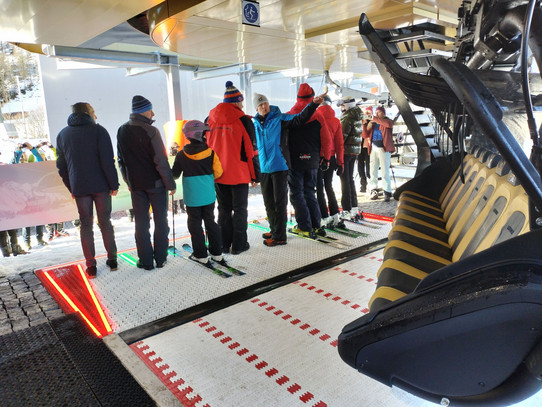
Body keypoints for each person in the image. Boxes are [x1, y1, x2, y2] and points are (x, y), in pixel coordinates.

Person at [252, 90, 326, 246]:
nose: (264, 106)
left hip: (279, 166)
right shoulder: (255, 123)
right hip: (264, 168)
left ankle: (280, 236)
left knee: (279, 203)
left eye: (265, 103)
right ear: (256, 108)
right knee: (268, 202)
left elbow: (300, 118)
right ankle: (274, 229)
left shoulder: (280, 118)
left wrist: (313, 105)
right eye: (260, 105)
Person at [56, 102, 119, 278]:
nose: (95, 115)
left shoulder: (63, 134)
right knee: (105, 222)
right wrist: (113, 184)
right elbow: (107, 161)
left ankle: (90, 266)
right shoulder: (99, 131)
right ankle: (112, 259)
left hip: (80, 187)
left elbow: (61, 167)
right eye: (93, 111)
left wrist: (71, 186)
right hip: (101, 186)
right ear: (87, 113)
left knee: (85, 225)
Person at [117, 95, 176, 270]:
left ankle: (146, 261)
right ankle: (161, 258)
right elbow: (161, 161)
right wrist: (170, 184)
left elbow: (121, 161)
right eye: (151, 110)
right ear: (144, 111)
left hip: (136, 186)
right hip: (156, 185)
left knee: (141, 223)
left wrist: (129, 181)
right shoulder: (152, 131)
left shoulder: (121, 130)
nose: (153, 113)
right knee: (160, 220)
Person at [206, 81, 258, 255]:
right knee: (240, 210)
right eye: (241, 102)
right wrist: (255, 175)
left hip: (218, 173)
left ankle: (223, 244)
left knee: (223, 209)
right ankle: (239, 245)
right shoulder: (244, 120)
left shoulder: (209, 119)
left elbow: (206, 147)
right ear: (237, 101)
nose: (242, 106)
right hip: (239, 173)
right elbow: (251, 150)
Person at [171, 120, 223, 265]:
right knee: (210, 221)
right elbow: (218, 173)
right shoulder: (211, 152)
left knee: (195, 224)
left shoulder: (181, 155)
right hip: (208, 196)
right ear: (201, 134)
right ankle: (217, 253)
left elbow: (174, 175)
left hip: (192, 198)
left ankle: (201, 255)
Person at [286, 83, 332, 237]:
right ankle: (316, 225)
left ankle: (304, 226)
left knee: (296, 194)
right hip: (313, 160)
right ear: (312, 97)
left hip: (295, 161)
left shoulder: (290, 115)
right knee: (310, 192)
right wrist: (326, 157)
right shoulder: (318, 116)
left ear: (297, 97)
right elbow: (326, 139)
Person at [317, 95, 344, 228]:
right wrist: (340, 162)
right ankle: (335, 215)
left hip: (319, 158)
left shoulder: (315, 118)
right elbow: (340, 144)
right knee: (329, 186)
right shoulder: (336, 120)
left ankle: (324, 217)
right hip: (332, 158)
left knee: (319, 188)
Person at [339, 97, 363, 218]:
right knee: (350, 179)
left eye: (342, 105)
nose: (341, 107)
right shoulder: (357, 115)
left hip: (345, 152)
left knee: (345, 180)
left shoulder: (347, 117)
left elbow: (341, 137)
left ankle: (346, 209)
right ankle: (354, 207)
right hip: (354, 151)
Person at [366, 105, 395, 201]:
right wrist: (366, 124)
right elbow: (365, 134)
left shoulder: (387, 120)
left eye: (379, 112)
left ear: (383, 113)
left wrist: (374, 118)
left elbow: (388, 124)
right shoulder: (374, 123)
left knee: (384, 171)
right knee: (373, 170)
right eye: (376, 112)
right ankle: (373, 189)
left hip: (384, 149)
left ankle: (387, 191)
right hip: (373, 148)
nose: (378, 114)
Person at [358, 105, 372, 193]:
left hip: (368, 146)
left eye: (368, 113)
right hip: (360, 146)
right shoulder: (360, 122)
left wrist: (364, 124)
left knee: (368, 167)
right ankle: (363, 185)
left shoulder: (371, 123)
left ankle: (370, 185)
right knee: (360, 166)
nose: (366, 115)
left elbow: (365, 134)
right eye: (365, 113)